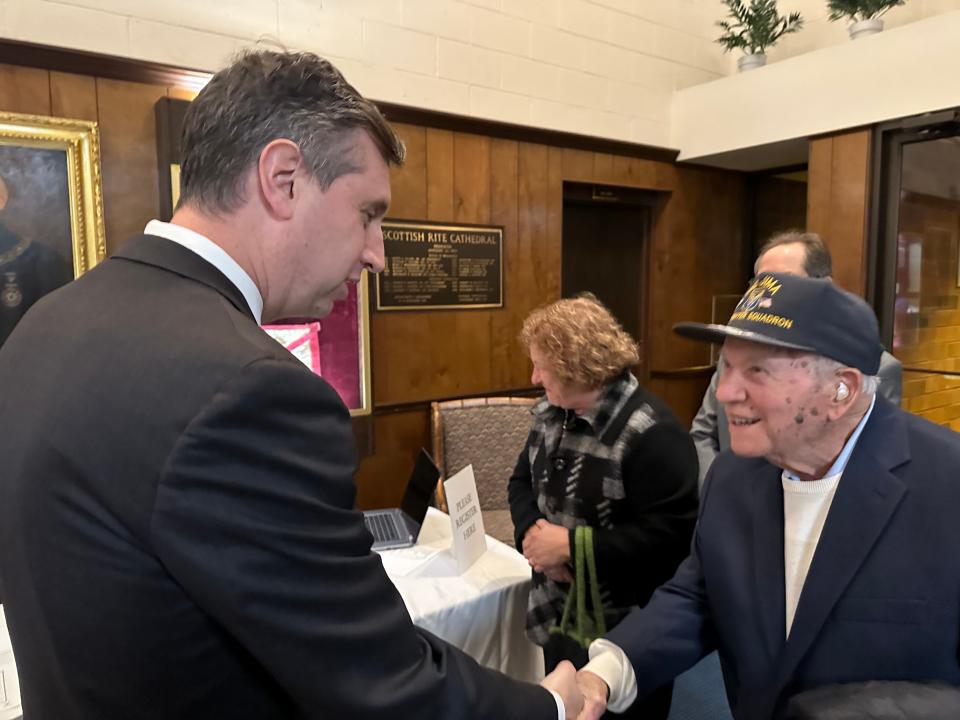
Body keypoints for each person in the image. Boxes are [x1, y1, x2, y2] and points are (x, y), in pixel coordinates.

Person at [0, 50, 594, 720]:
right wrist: (544, 706)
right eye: (368, 213)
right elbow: (378, 684)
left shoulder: (43, 324)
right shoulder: (247, 388)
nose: (376, 252)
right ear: (282, 179)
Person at [573, 272, 960, 719]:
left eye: (756, 370)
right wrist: (605, 672)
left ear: (841, 389)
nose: (724, 393)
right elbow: (701, 595)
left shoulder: (947, 487)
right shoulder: (734, 475)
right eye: (727, 367)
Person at [509, 295, 699, 719]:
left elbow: (670, 543)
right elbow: (520, 483)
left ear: (580, 366)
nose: (534, 376)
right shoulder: (551, 414)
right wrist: (534, 537)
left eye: (543, 366)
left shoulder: (655, 434)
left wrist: (573, 547)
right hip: (555, 609)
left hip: (626, 630)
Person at [691, 231, 903, 485]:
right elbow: (702, 433)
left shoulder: (875, 368)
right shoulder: (729, 482)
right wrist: (721, 490)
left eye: (758, 370)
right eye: (761, 282)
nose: (728, 392)